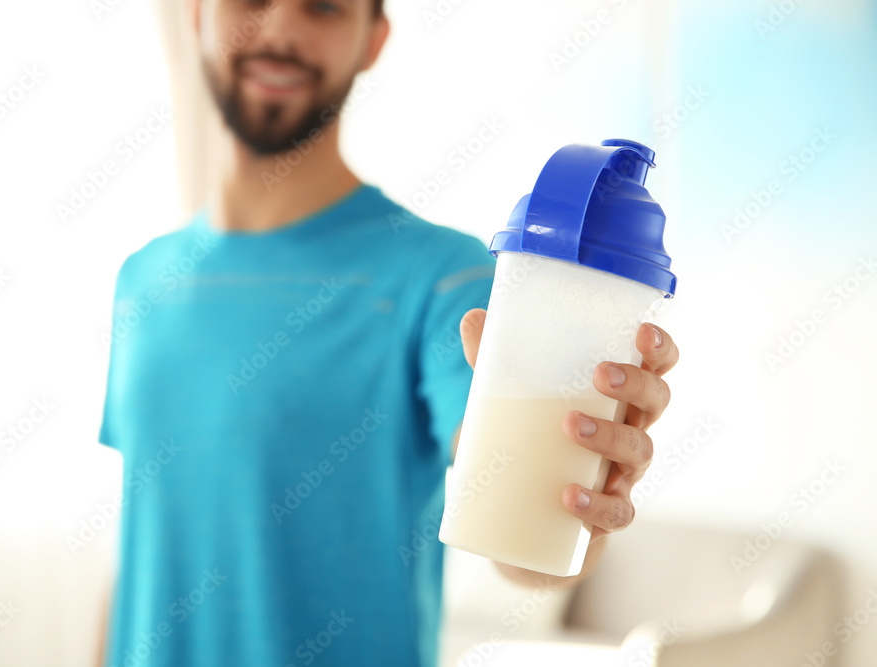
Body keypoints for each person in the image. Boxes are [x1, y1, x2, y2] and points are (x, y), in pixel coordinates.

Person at [96, 1, 679, 665]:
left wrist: (585, 499)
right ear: (196, 16)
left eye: (322, 7)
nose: (282, 29)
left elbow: (528, 549)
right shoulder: (143, 280)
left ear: (372, 41)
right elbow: (143, 545)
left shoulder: (441, 281)